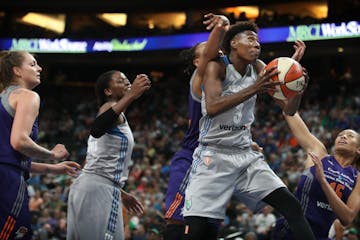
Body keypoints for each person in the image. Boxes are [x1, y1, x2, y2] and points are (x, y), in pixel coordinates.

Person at [182, 21, 315, 240]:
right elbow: (213, 108)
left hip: (245, 155)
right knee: (197, 228)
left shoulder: (259, 67)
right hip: (212, 155)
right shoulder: (217, 66)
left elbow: (289, 109)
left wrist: (296, 87)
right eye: (250, 39)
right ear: (234, 43)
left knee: (291, 205)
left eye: (258, 40)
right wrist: (254, 88)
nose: (257, 44)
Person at [163, 13, 231, 240]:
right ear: (197, 62)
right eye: (208, 49)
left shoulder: (226, 84)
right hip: (193, 157)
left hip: (216, 162)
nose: (215, 51)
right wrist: (221, 27)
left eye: (218, 50)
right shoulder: (199, 76)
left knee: (208, 225)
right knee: (177, 219)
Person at [0, 50, 81, 240]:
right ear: (17, 71)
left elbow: (8, 156)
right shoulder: (28, 96)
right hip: (7, 181)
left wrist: (52, 169)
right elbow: (19, 141)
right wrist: (52, 155)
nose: (40, 68)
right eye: (33, 64)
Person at [66, 70, 150, 240]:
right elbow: (96, 129)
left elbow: (98, 162)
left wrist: (120, 192)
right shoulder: (108, 108)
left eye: (128, 80)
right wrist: (131, 95)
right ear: (108, 91)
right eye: (121, 81)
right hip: (98, 190)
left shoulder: (115, 115)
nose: (127, 82)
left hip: (92, 186)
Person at [272, 88, 360, 239]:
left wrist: (323, 181)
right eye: (340, 135)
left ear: (358, 149)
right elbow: (289, 113)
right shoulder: (319, 153)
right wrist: (291, 90)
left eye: (349, 136)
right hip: (289, 231)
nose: (343, 136)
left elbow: (347, 218)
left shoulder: (357, 178)